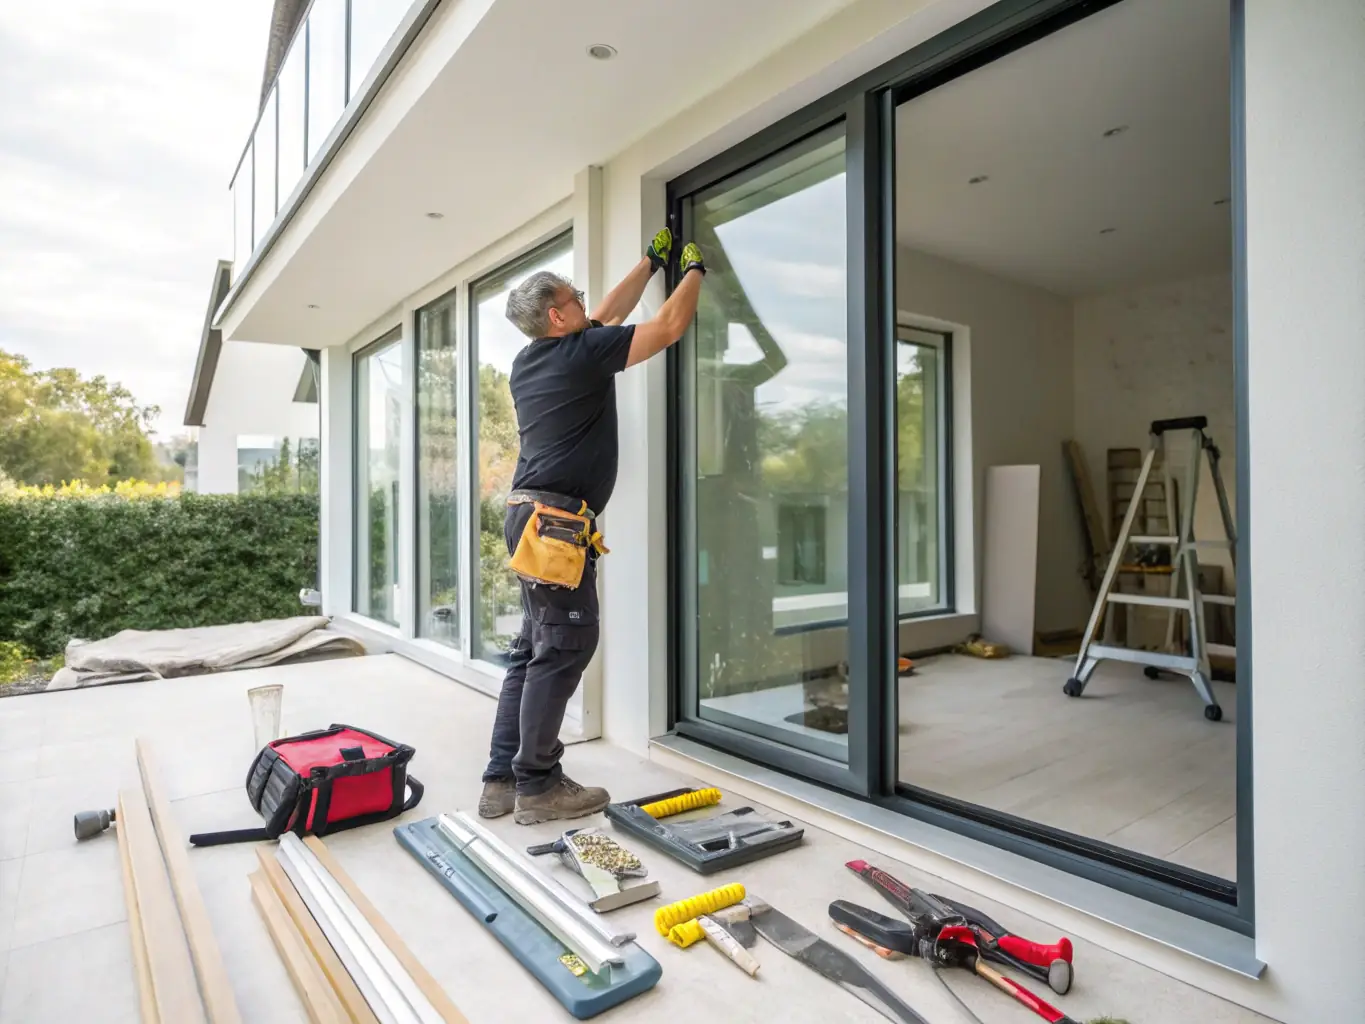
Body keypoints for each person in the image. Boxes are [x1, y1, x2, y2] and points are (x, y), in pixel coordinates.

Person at [479, 228, 707, 824]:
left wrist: (650, 263)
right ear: (557, 317)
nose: (586, 301)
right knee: (563, 649)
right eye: (574, 297)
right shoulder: (580, 353)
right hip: (554, 525)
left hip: (527, 514)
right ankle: (538, 785)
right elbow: (667, 329)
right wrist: (693, 271)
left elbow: (606, 314)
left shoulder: (532, 359)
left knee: (533, 651)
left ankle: (502, 780)